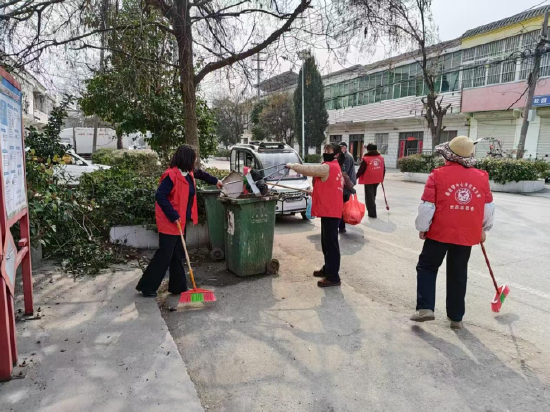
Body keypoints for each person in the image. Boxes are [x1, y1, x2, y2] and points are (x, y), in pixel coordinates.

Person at [410, 136, 495, 329]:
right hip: (466, 235)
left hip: (439, 232)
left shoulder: (437, 175)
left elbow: (427, 206)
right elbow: (488, 208)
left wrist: (423, 228)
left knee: (427, 266)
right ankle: (456, 317)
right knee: (458, 273)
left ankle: (425, 308)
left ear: (448, 154)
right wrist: (483, 229)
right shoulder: (481, 176)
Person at [136, 145, 223, 297]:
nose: (195, 162)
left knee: (178, 254)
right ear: (186, 159)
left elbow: (201, 174)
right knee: (165, 255)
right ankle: (147, 286)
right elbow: (160, 196)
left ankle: (178, 287)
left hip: (181, 221)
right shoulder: (171, 175)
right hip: (169, 221)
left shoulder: (188, 172)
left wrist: (216, 181)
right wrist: (173, 215)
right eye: (193, 159)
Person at [286, 143, 353, 287]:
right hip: (330, 210)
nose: (325, 152)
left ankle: (333, 277)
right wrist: (315, 192)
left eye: (328, 150)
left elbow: (309, 170)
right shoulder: (335, 167)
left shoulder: (328, 167)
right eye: (325, 150)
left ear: (336, 154)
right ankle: (328, 269)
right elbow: (329, 187)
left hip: (331, 211)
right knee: (326, 243)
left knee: (331, 245)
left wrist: (292, 166)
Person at [356, 143, 385, 218]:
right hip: (377, 179)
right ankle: (372, 210)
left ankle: (372, 213)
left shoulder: (366, 158)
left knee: (369, 197)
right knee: (373, 195)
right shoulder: (381, 158)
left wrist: (355, 177)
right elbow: (383, 169)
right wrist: (382, 178)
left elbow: (361, 170)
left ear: (368, 150)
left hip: (368, 179)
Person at [338, 142, 357, 233]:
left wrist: (350, 187)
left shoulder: (346, 157)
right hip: (347, 185)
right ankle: (342, 225)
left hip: (346, 186)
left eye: (342, 148)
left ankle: (342, 227)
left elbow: (344, 174)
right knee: (344, 206)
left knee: (342, 207)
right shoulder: (347, 156)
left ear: (345, 148)